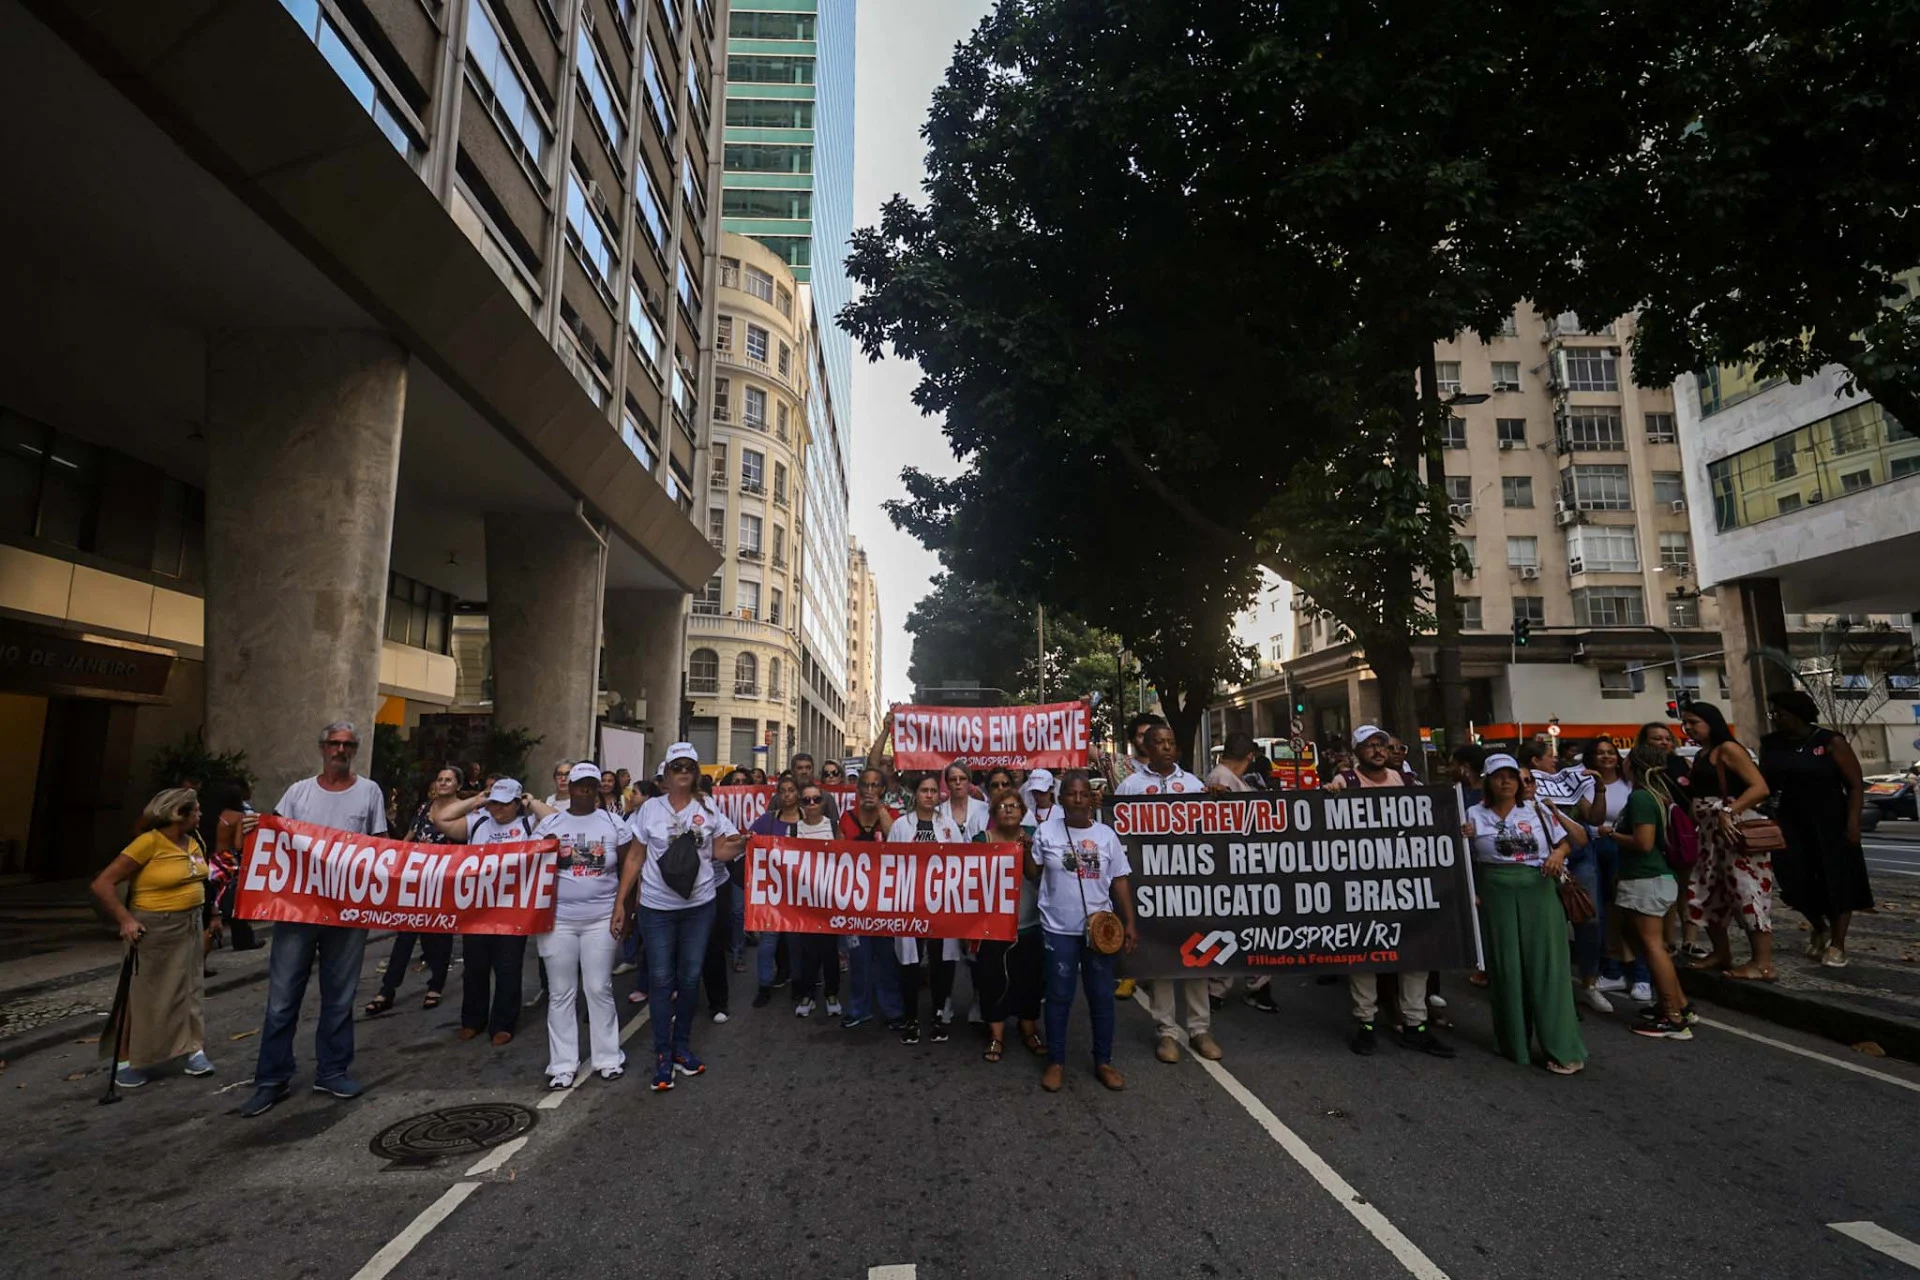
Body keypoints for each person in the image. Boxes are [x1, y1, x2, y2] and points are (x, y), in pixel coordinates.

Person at [241, 721, 386, 1118]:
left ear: (354, 750)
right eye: (334, 743)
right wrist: (256, 829)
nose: (340, 750)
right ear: (322, 747)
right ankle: (271, 1079)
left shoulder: (369, 792)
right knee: (282, 998)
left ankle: (333, 1070)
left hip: (347, 913)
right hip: (297, 911)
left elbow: (378, 849)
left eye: (347, 744)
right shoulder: (297, 793)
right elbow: (275, 838)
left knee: (339, 997)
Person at [621, 742, 744, 1091]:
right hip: (657, 909)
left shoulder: (708, 807)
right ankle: (662, 1054)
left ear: (695, 773)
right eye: (677, 767)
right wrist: (622, 904)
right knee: (661, 980)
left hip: (699, 907)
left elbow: (719, 851)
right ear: (666, 773)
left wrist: (744, 843)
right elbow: (634, 857)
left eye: (689, 767)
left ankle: (681, 1048)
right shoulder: (649, 810)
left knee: (690, 979)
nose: (684, 773)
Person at [1326, 726, 1454, 1058]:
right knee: (1364, 952)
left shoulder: (1407, 782)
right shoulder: (1347, 783)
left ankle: (1415, 1024)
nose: (1378, 750)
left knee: (1415, 952)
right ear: (1357, 752)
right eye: (1370, 745)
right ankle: (1365, 1023)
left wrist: (1459, 825)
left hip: (1405, 884)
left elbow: (1438, 811)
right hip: (1363, 884)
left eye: (1382, 744)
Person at [1464, 755, 1586, 1074]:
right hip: (1496, 893)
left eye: (1511, 776)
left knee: (1548, 969)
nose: (1506, 781)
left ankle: (1564, 1049)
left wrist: (1558, 855)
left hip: (1539, 890)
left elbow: (1565, 844)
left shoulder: (1537, 809)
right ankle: (1512, 1042)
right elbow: (1461, 856)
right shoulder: (1472, 814)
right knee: (1505, 968)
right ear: (1487, 781)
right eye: (1498, 776)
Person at [91, 788, 217, 1087]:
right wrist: (125, 919)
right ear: (178, 814)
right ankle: (125, 1060)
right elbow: (102, 884)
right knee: (143, 996)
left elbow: (202, 879)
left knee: (189, 988)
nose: (200, 814)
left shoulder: (194, 841)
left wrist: (213, 914)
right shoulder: (147, 844)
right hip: (154, 927)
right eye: (195, 810)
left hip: (189, 923)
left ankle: (192, 1050)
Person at [1114, 725, 1219, 1061]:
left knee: (1195, 957)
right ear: (1146, 746)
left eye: (1171, 743)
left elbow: (1208, 831)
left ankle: (1200, 1029)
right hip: (1151, 888)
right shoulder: (1131, 786)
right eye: (1159, 742)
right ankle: (1167, 1032)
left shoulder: (1192, 784)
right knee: (1161, 959)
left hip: (1189, 886)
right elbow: (1121, 836)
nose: (1166, 748)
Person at [425, 777, 556, 1045]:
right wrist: (475, 801)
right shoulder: (479, 822)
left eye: (505, 804)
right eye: (494, 803)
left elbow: (557, 820)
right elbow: (441, 819)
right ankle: (473, 1020)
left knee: (508, 967)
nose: (498, 809)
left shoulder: (528, 824)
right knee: (475, 967)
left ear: (517, 804)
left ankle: (503, 1023)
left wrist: (533, 802)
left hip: (513, 910)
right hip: (478, 910)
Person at [1028, 771, 1137, 1091]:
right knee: (1059, 996)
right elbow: (1033, 872)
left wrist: (1129, 921)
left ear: (1091, 798)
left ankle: (1103, 1061)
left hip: (1099, 930)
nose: (1077, 799)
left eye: (1083, 794)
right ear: (1061, 800)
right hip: (1058, 928)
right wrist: (1022, 844)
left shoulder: (1106, 836)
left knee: (1101, 996)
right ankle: (1056, 1061)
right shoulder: (1045, 832)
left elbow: (1119, 879)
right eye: (1071, 794)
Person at [1760, 689, 1873, 969]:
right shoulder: (1771, 744)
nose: (1775, 718)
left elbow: (1855, 785)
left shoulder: (1830, 741)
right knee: (1792, 882)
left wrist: (1853, 822)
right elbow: (1765, 783)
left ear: (1798, 713)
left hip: (1830, 822)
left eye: (1780, 713)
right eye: (1772, 713)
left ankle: (1837, 944)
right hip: (1788, 823)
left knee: (1838, 881)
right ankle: (1819, 926)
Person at [1681, 702, 1775, 979]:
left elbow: (1760, 788)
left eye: (1694, 722)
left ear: (1711, 722)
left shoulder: (1730, 750)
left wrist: (1728, 811)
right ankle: (1721, 952)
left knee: (1747, 891)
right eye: (1685, 722)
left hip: (1734, 831)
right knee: (1707, 891)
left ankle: (1762, 963)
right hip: (1709, 836)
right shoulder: (1701, 755)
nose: (1688, 728)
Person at [364, 766, 463, 1017]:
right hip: (416, 881)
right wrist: (388, 855)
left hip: (443, 882)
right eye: (439, 779)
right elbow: (410, 836)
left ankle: (436, 985)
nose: (442, 783)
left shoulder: (464, 812)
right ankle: (387, 989)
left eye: (448, 780)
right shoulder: (423, 809)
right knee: (405, 935)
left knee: (438, 935)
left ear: (458, 786)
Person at [1618, 743, 1694, 1040]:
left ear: (1632, 765)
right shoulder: (1656, 794)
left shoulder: (1640, 797)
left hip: (1645, 878)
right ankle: (1681, 1005)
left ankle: (1672, 1017)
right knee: (1647, 941)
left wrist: (1610, 833)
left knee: (1652, 945)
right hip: (1653, 878)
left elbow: (1643, 843)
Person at [888, 774, 968, 1044]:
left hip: (942, 903)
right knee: (910, 961)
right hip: (909, 903)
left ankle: (938, 1015)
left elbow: (961, 861)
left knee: (942, 960)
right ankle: (911, 1018)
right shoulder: (901, 825)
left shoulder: (948, 826)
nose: (929, 795)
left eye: (934, 790)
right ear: (915, 794)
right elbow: (890, 863)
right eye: (924, 790)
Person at [1204, 733, 1277, 1013]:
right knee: (1232, 927)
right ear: (1250, 756)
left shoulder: (1226, 777)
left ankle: (1250, 984)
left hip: (1243, 865)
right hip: (1231, 866)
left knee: (1245, 927)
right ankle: (1223, 987)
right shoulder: (1222, 779)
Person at [1578, 737, 1651, 1005]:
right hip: (1594, 850)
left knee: (1630, 913)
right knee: (1601, 915)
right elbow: (1590, 818)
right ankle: (1612, 970)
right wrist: (1598, 788)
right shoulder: (1583, 784)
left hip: (1623, 849)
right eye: (1600, 752)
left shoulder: (1630, 783)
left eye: (1611, 752)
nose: (1607, 757)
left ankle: (1642, 977)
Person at [975, 791, 1045, 1063]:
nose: (1008, 810)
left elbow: (1033, 874)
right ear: (993, 813)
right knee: (992, 979)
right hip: (992, 926)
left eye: (1014, 805)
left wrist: (1026, 849)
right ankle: (996, 1034)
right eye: (1002, 806)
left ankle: (1028, 1027)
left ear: (1023, 811)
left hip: (1027, 923)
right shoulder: (981, 840)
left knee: (1029, 979)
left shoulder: (1034, 836)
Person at [839, 768, 905, 1030]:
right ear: (858, 789)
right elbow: (837, 853)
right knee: (858, 958)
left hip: (886, 901)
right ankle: (859, 1007)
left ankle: (892, 1010)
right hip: (856, 901)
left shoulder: (894, 817)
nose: (869, 789)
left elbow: (897, 842)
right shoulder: (846, 818)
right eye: (865, 785)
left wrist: (880, 809)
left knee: (888, 957)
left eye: (875, 785)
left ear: (882, 790)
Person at [750, 774, 804, 1007]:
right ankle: (764, 985)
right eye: (783, 791)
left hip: (799, 893)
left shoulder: (808, 821)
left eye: (791, 790)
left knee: (795, 942)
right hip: (771, 893)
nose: (787, 795)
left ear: (798, 794)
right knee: (767, 943)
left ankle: (798, 983)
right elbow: (750, 841)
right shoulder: (767, 822)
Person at [789, 785, 842, 1017]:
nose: (812, 804)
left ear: (823, 802)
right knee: (807, 951)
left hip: (829, 900)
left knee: (830, 950)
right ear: (801, 803)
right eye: (807, 800)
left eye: (816, 799)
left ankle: (832, 993)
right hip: (804, 902)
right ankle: (808, 994)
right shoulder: (793, 829)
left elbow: (845, 859)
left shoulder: (832, 827)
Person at [211, 780, 262, 952]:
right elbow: (239, 844)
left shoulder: (216, 815)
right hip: (228, 860)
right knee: (233, 900)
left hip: (213, 858)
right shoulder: (238, 816)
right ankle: (242, 939)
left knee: (214, 899)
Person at [942, 761, 990, 838]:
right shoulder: (938, 811)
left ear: (969, 782)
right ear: (947, 784)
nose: (958, 782)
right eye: (953, 779)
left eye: (962, 778)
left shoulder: (984, 808)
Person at [790, 753, 840, 822]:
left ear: (813, 770)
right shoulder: (781, 798)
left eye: (808, 768)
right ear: (793, 771)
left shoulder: (826, 798)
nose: (804, 772)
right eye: (800, 768)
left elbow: (835, 826)